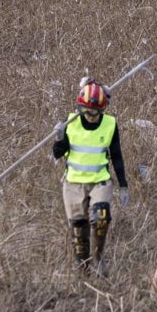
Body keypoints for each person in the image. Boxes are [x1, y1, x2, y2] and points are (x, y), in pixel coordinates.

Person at [52, 78, 129, 274]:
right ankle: (83, 267)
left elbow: (117, 156)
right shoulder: (70, 123)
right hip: (73, 183)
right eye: (86, 112)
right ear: (80, 108)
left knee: (101, 217)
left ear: (102, 109)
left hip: (100, 182)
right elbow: (57, 154)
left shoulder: (110, 125)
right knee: (79, 229)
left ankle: (99, 257)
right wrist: (59, 138)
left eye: (95, 113)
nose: (90, 116)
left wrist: (123, 186)